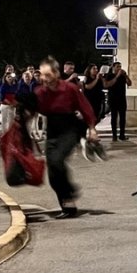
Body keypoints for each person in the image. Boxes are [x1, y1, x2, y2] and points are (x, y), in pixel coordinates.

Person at [34, 56, 99, 219]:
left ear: (56, 73)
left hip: (70, 128)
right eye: (41, 75)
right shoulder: (40, 91)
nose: (44, 78)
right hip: (53, 129)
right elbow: (34, 108)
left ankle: (70, 190)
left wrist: (92, 128)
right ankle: (67, 205)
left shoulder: (70, 88)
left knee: (57, 160)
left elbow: (85, 107)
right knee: (52, 172)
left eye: (47, 75)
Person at [103, 62, 132, 141]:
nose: (119, 68)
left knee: (122, 118)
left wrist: (125, 75)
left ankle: (122, 135)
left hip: (122, 99)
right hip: (113, 99)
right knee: (114, 117)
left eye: (120, 66)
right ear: (113, 68)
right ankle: (114, 135)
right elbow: (107, 85)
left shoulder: (123, 76)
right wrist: (117, 76)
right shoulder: (109, 76)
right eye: (117, 66)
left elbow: (129, 83)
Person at [0, 70, 19, 135]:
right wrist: (10, 103)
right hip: (5, 106)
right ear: (5, 78)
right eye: (8, 77)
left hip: (12, 106)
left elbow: (16, 95)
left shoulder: (14, 86)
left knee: (11, 121)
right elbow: (2, 98)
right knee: (4, 121)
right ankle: (4, 134)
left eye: (10, 77)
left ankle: (10, 134)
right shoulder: (3, 86)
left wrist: (15, 103)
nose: (9, 78)